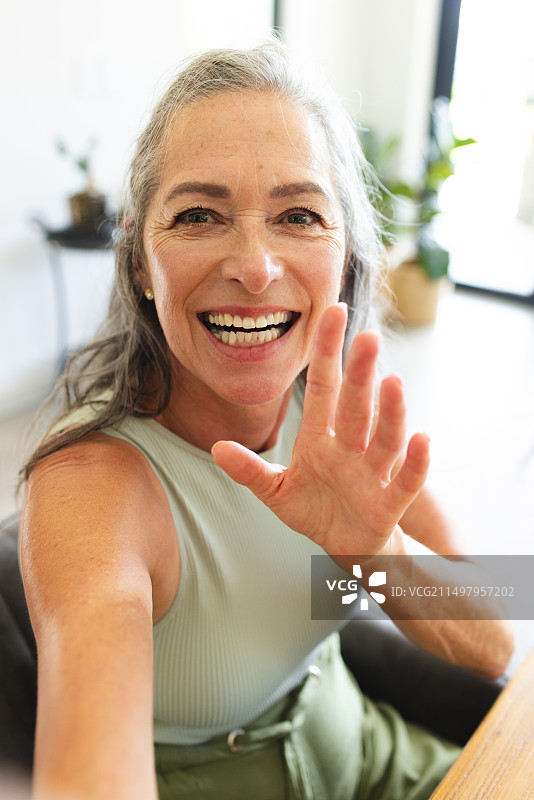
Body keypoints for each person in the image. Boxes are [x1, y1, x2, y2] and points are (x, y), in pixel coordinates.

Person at [20, 42, 513, 800]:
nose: (254, 266)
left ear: (344, 253)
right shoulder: (93, 488)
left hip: (379, 760)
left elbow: (494, 642)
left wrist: (377, 551)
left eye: (298, 214)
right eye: (197, 214)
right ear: (140, 268)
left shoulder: (333, 410)